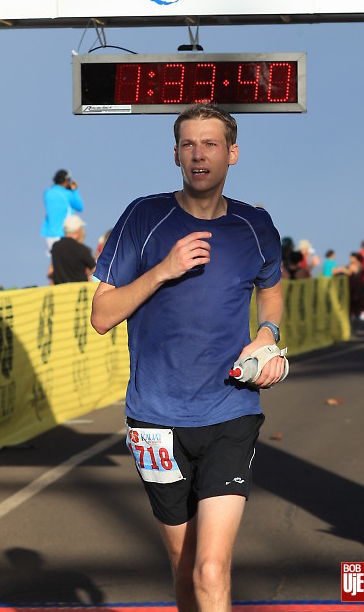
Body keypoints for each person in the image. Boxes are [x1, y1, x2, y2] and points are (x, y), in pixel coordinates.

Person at [91, 103, 286, 612]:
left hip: (230, 412)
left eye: (211, 144)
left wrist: (267, 334)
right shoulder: (144, 216)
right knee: (184, 571)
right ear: (176, 154)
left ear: (232, 153)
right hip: (154, 421)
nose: (199, 155)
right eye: (188, 145)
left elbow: (271, 290)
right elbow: (102, 315)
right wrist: (163, 270)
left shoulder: (255, 225)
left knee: (210, 568)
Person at [41, 169, 84, 255]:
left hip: (49, 234)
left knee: (55, 263)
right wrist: (74, 190)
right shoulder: (67, 194)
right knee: (66, 262)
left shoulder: (47, 193)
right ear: (65, 181)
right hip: (63, 233)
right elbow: (80, 207)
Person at [49, 215, 96, 285]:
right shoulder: (82, 249)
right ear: (78, 231)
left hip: (60, 292)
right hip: (79, 291)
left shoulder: (55, 247)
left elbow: (51, 272)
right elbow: (95, 269)